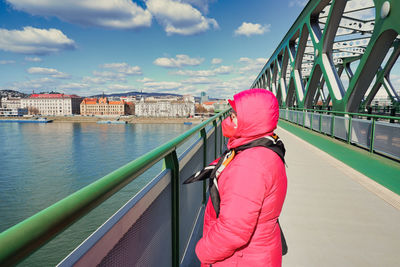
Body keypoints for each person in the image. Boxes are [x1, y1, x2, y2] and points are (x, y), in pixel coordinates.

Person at [195, 88, 287, 266]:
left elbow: (232, 231)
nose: (229, 120)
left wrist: (202, 252)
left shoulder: (249, 164)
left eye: (235, 116)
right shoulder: (267, 148)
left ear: (251, 120)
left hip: (241, 259)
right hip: (257, 253)